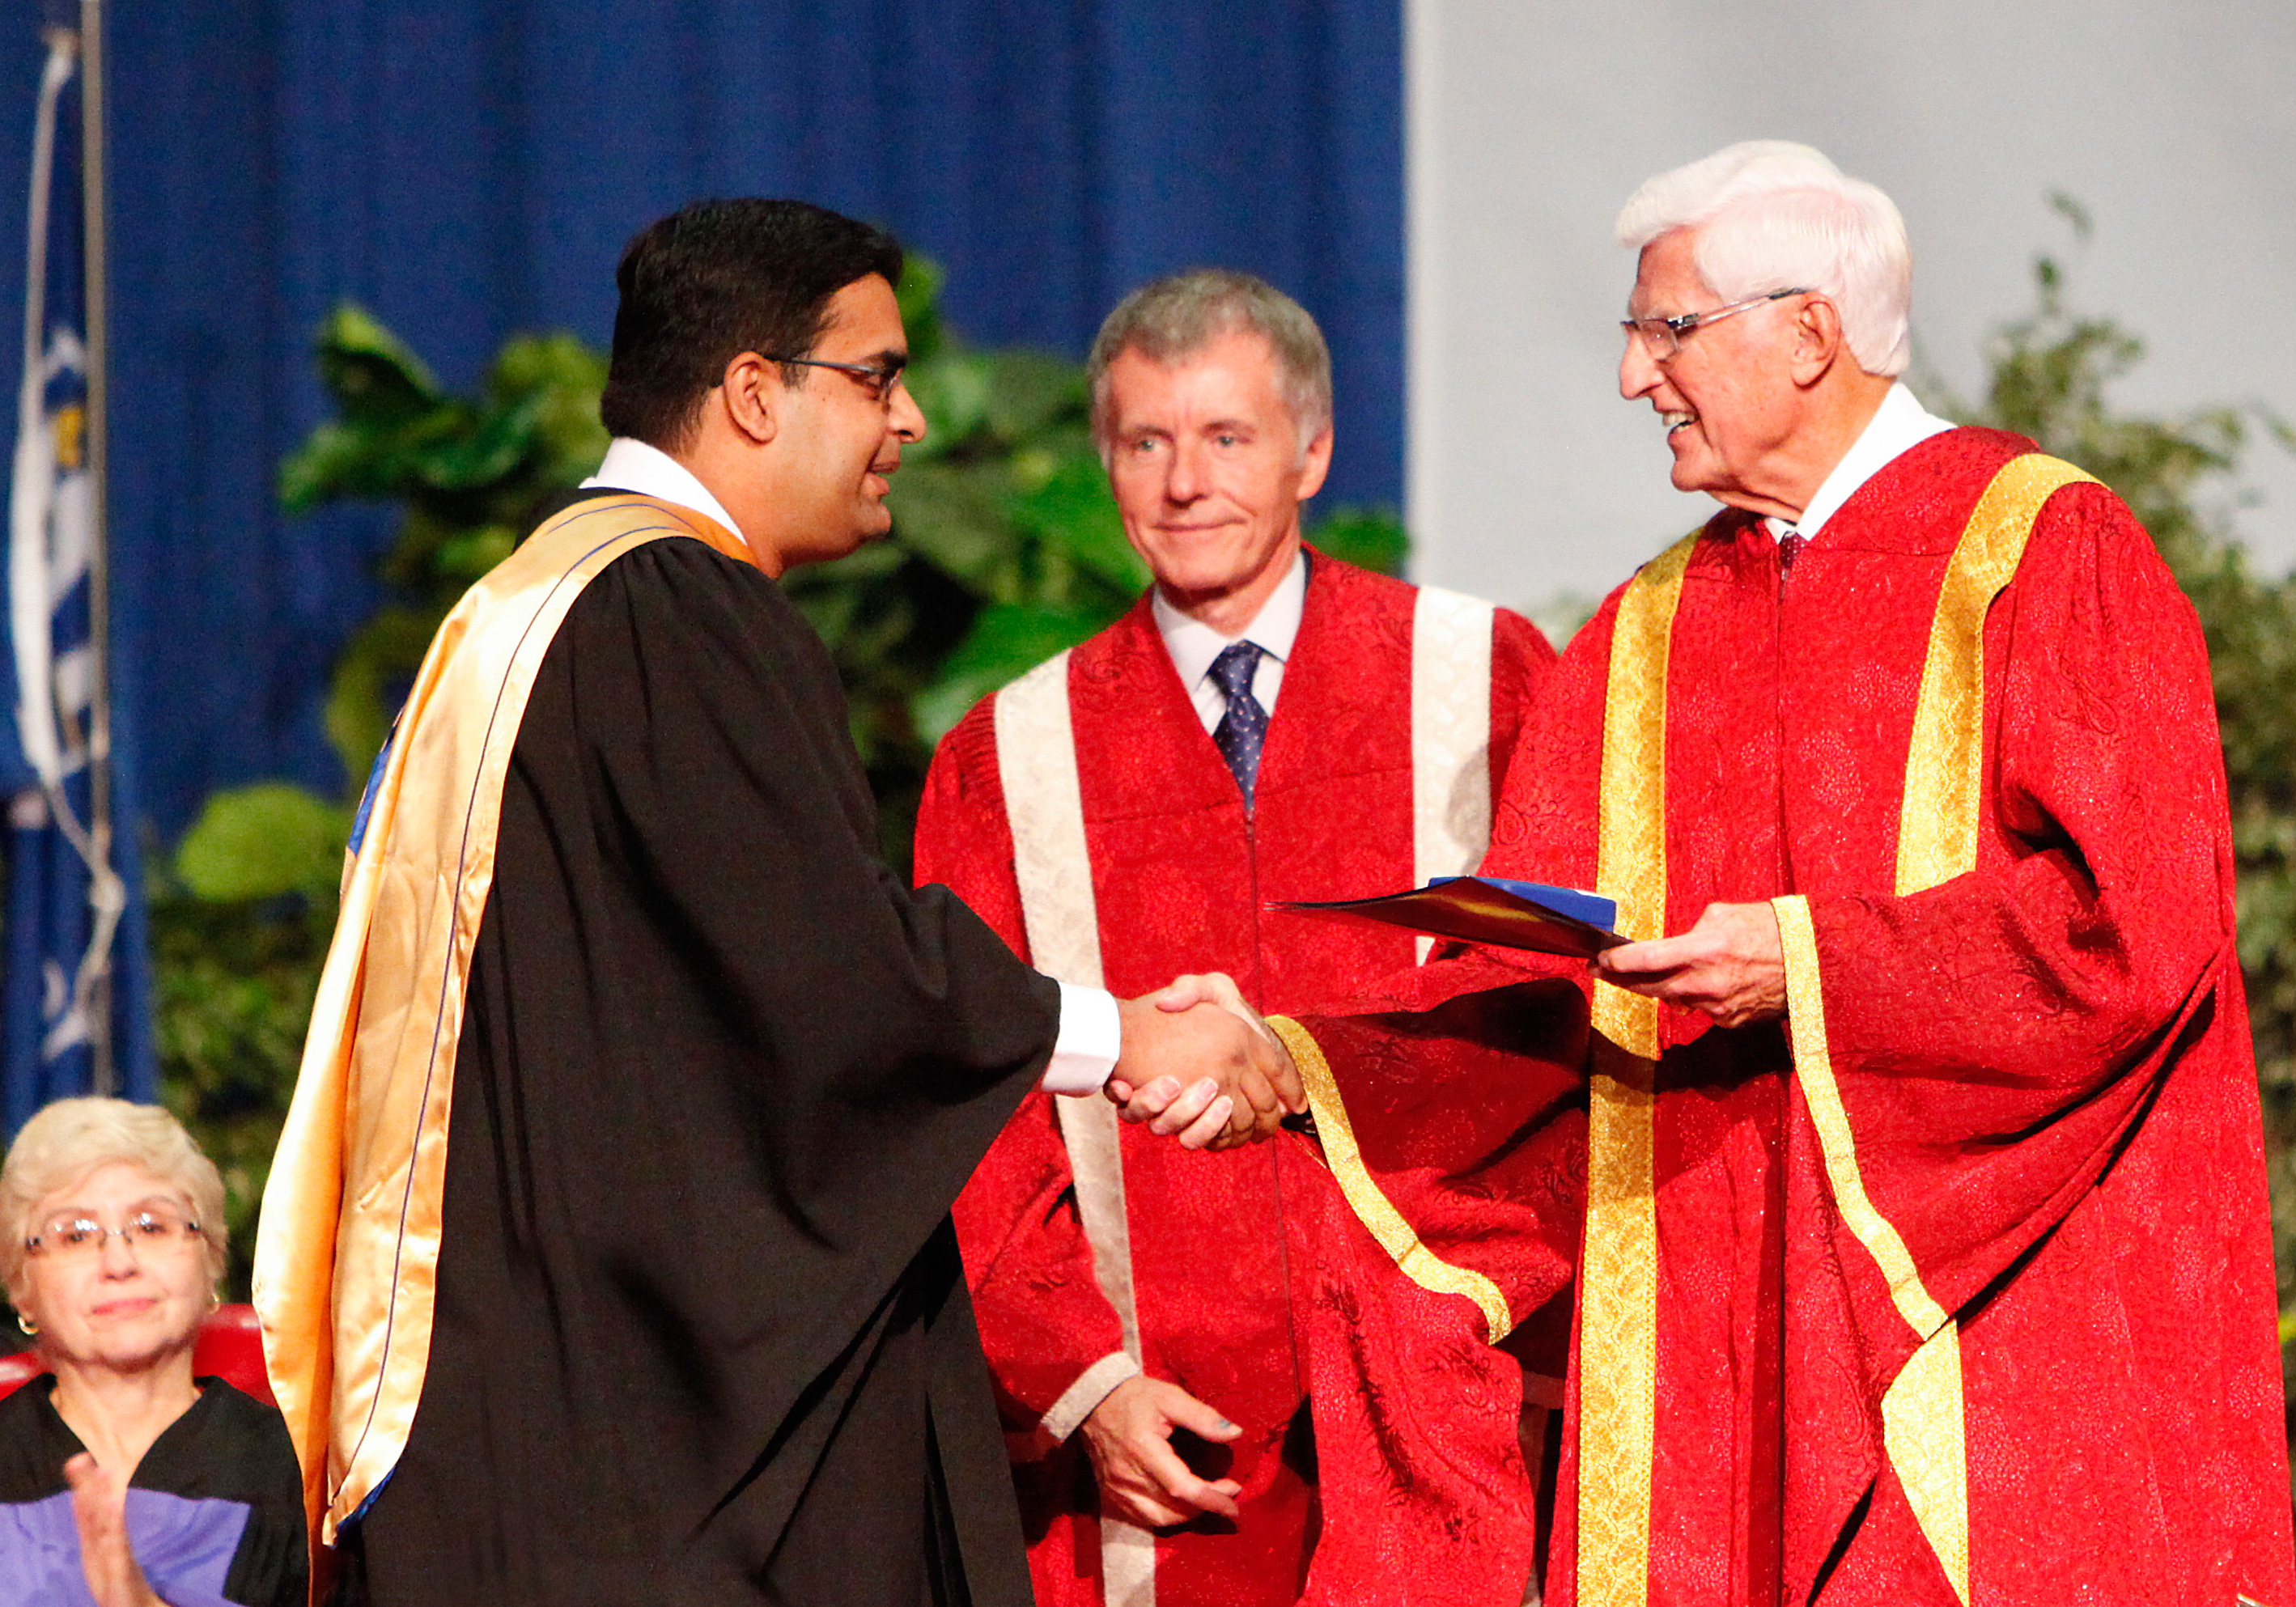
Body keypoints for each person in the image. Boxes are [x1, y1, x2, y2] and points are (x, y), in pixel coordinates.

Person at [1126, 142, 2296, 1606]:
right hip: (1712, 1342)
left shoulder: (2043, 552)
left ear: (1811, 333)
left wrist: (1810, 962)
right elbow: (1530, 1001)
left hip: (1996, 1329)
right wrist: (1293, 1063)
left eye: (1665, 329)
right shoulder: (1646, 634)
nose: (1633, 378)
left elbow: (2135, 923)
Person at [251, 199, 1295, 1607]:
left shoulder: (522, 606)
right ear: (753, 392)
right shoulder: (675, 613)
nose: (911, 421)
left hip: (527, 1401)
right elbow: (830, 985)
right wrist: (1133, 1041)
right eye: (877, 375)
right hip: (637, 1451)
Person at [918, 269, 1554, 1607]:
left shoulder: (1480, 677)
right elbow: (976, 1096)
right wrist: (1080, 1379)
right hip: (1163, 1433)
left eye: (1227, 437)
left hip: (1444, 1380)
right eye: (1146, 442)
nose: (1184, 482)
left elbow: (1557, 1015)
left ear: (1312, 450)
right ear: (1106, 463)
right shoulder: (1008, 758)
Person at [0, 1097, 308, 1607]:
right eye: (75, 1235)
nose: (119, 1262)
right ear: (21, 1285)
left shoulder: (298, 1474)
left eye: (151, 1226)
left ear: (210, 1259)